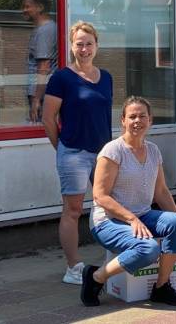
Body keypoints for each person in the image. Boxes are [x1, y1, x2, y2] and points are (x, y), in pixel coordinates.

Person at [80, 96, 176, 307]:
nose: (137, 120)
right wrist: (131, 219)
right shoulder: (112, 151)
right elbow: (100, 196)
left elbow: (162, 192)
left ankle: (161, 287)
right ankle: (96, 277)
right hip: (108, 221)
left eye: (142, 116)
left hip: (143, 215)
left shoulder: (153, 150)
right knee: (148, 249)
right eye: (132, 116)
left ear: (150, 120)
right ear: (123, 121)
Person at [43, 21, 113, 285]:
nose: (84, 49)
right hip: (73, 153)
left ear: (96, 46)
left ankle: (113, 259)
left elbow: (103, 115)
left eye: (89, 43)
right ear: (72, 46)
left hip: (104, 153)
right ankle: (73, 267)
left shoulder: (105, 77)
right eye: (79, 44)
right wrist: (61, 147)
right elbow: (48, 118)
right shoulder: (61, 78)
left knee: (109, 206)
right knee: (73, 210)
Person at [23, 0, 57, 123]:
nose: (24, 10)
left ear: (40, 7)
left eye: (27, 6)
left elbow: (44, 67)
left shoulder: (45, 31)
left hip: (42, 96)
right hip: (40, 94)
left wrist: (36, 99)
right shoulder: (41, 30)